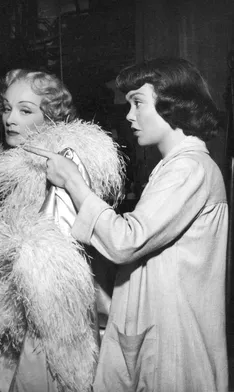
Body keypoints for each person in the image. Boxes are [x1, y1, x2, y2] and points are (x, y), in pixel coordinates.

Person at [25, 58, 228, 391]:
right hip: (160, 336)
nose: (129, 115)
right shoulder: (174, 168)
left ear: (172, 104)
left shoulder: (190, 168)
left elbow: (126, 241)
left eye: (138, 103)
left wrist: (74, 183)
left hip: (174, 345)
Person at [0, 69, 126, 391]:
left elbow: (63, 258)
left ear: (51, 117)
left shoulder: (63, 167)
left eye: (25, 110)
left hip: (36, 318)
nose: (10, 119)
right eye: (6, 108)